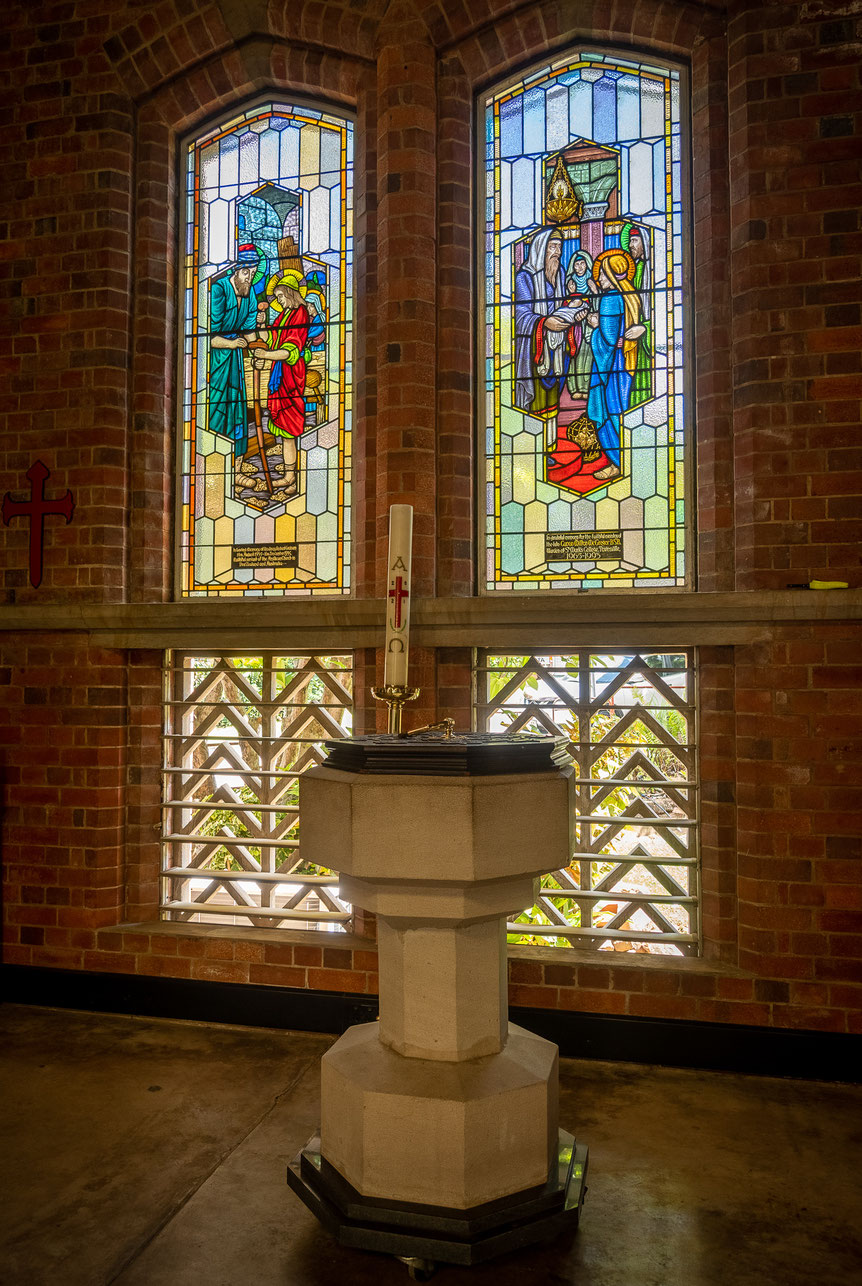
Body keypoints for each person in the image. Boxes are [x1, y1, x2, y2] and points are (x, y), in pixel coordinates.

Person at [586, 250, 645, 482]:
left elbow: (609, 340)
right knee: (618, 409)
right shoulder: (626, 295)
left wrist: (594, 326)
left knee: (608, 411)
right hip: (623, 364)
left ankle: (617, 461)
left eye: (601, 273)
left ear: (611, 274)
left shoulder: (610, 298)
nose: (599, 278)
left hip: (611, 367)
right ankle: (623, 460)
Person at [252, 271, 313, 495]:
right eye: (276, 297)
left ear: (290, 293)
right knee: (284, 431)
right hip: (280, 376)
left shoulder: (300, 314)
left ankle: (290, 478)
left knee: (289, 431)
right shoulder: (284, 316)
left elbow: (290, 351)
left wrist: (265, 357)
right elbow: (270, 340)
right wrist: (262, 325)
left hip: (290, 377)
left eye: (280, 296)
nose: (278, 301)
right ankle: (290, 471)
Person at [208, 244, 267, 456]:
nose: (249, 278)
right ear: (235, 270)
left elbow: (249, 332)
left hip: (235, 363)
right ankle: (214, 453)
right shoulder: (219, 289)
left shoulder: (250, 295)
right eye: (245, 272)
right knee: (216, 406)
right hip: (215, 362)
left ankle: (237, 459)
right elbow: (209, 337)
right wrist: (232, 344)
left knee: (236, 409)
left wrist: (258, 350)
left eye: (252, 273)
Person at [513, 228, 571, 417]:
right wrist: (545, 322)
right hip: (534, 349)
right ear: (540, 248)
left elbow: (562, 305)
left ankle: (551, 442)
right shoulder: (525, 277)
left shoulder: (560, 273)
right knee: (537, 404)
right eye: (553, 247)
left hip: (556, 347)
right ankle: (535, 440)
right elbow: (520, 316)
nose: (558, 252)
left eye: (560, 247)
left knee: (553, 401)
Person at [620, 221, 652, 405]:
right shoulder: (635, 270)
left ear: (645, 242)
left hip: (646, 343)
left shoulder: (652, 270)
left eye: (634, 240)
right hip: (633, 338)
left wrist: (645, 328)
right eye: (630, 241)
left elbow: (661, 311)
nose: (631, 245)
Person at [563, 248, 597, 398]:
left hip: (588, 325)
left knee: (587, 354)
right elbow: (564, 306)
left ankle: (585, 387)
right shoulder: (569, 282)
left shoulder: (592, 281)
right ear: (573, 266)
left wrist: (594, 290)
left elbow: (597, 304)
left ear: (587, 264)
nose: (580, 267)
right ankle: (574, 387)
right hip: (574, 325)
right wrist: (571, 294)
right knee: (574, 353)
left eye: (582, 263)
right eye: (577, 265)